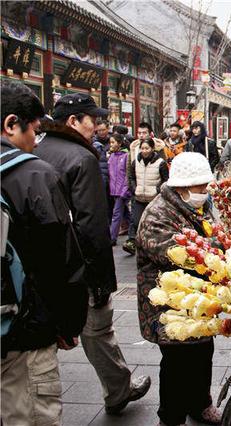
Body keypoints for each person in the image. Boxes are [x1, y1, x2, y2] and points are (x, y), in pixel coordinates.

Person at [36, 93, 151, 415]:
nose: (98, 126)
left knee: (43, 342)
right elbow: (91, 226)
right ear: (73, 121)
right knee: (99, 330)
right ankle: (118, 390)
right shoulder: (82, 157)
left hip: (44, 267)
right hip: (80, 266)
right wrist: (101, 281)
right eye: (93, 120)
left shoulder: (36, 151)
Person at [1, 81, 88, 426]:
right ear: (11, 124)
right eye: (34, 131)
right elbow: (62, 260)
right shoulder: (34, 174)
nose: (35, 142)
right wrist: (68, 324)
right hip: (26, 332)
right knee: (32, 415)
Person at [136, 152, 222, 425]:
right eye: (200, 187)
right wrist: (220, 252)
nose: (204, 192)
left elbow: (211, 233)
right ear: (182, 187)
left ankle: (200, 404)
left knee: (203, 349)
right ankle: (170, 417)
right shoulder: (157, 215)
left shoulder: (196, 206)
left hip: (198, 296)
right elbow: (179, 255)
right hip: (169, 302)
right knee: (177, 362)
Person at [124, 139, 169, 255]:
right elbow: (131, 177)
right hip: (139, 198)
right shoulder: (136, 162)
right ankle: (140, 247)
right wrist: (134, 189)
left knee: (153, 225)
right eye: (142, 148)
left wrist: (156, 190)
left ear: (152, 149)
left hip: (154, 200)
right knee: (137, 222)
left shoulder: (160, 163)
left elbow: (166, 181)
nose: (144, 151)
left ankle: (153, 248)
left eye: (147, 148)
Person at [108, 133, 131, 246]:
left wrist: (125, 189)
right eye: (110, 142)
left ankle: (112, 238)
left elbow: (128, 175)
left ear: (119, 143)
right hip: (114, 190)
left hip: (123, 190)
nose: (111, 145)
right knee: (127, 215)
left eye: (113, 142)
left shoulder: (126, 156)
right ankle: (136, 231)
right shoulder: (111, 156)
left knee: (116, 214)